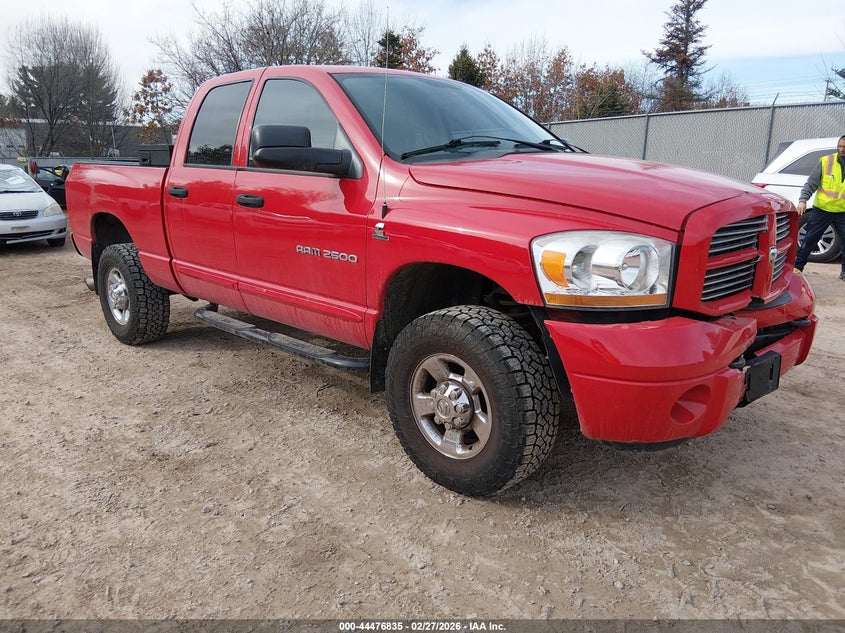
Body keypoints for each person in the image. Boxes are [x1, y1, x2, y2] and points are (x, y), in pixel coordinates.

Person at [794, 135, 845, 280]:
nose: (841, 149)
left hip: (842, 211)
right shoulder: (826, 161)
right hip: (822, 209)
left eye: (844, 147)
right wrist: (803, 200)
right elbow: (811, 183)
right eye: (839, 146)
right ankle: (798, 267)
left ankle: (844, 272)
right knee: (809, 239)